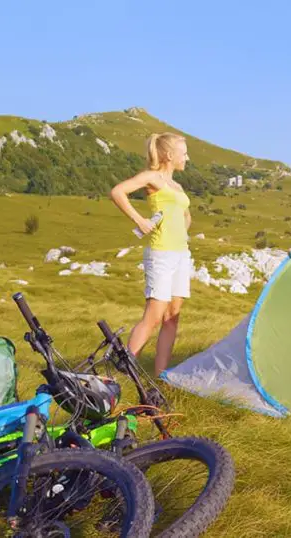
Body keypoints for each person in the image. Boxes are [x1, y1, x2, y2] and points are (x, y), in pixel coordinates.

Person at [109, 132, 193, 376]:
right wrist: (139, 220)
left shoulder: (177, 185)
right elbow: (118, 192)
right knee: (154, 316)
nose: (187, 157)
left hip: (180, 254)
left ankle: (160, 377)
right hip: (161, 254)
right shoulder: (152, 177)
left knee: (172, 317)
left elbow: (185, 215)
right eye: (184, 152)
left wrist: (182, 228)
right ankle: (123, 372)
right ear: (169, 155)